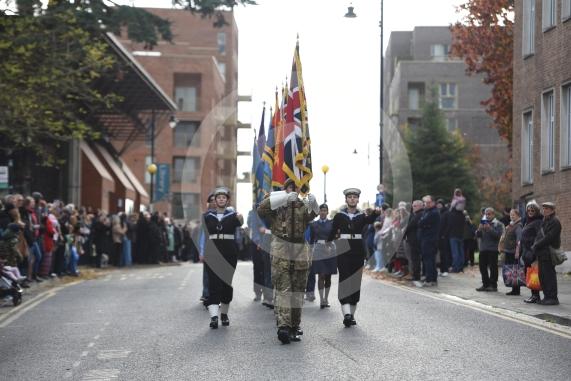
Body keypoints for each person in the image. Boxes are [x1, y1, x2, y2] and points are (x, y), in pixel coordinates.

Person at [257, 179, 318, 344]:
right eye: (289, 187)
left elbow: (311, 216)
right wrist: (282, 199)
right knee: (283, 289)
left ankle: (294, 326)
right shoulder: (276, 204)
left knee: (298, 291)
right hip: (281, 248)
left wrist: (314, 206)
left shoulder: (301, 205)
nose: (292, 190)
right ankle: (283, 326)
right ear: (284, 189)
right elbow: (261, 210)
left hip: (299, 250)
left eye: (295, 188)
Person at [328, 188, 380, 327]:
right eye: (349, 197)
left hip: (357, 251)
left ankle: (351, 314)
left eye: (354, 197)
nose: (352, 199)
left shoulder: (361, 216)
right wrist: (327, 243)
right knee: (345, 279)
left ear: (358, 200)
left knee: (355, 282)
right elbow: (333, 231)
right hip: (343, 250)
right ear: (346, 200)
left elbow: (370, 220)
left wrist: (376, 213)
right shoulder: (340, 216)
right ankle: (347, 314)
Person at [203, 187, 243, 328]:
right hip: (212, 253)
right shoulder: (207, 216)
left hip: (229, 253)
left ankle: (224, 314)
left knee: (226, 284)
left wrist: (240, 217)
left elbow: (241, 222)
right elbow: (204, 235)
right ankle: (214, 317)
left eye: (223, 197)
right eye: (218, 197)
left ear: (227, 200)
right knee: (213, 284)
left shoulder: (233, 215)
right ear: (215, 200)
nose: (221, 199)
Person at [531, 202, 562, 305]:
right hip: (542, 252)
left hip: (548, 252)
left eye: (547, 209)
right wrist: (535, 244)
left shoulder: (555, 221)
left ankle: (553, 298)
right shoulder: (544, 220)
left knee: (549, 276)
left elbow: (549, 237)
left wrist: (536, 245)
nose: (544, 210)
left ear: (552, 210)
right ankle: (546, 296)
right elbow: (539, 235)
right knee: (543, 276)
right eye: (543, 209)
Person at [308, 204, 337, 308]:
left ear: (327, 212)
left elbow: (335, 236)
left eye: (325, 210)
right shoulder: (313, 225)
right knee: (321, 275)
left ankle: (326, 298)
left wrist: (330, 245)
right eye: (321, 210)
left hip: (330, 250)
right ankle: (321, 300)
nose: (323, 212)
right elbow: (311, 240)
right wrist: (310, 252)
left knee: (328, 277)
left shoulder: (332, 223)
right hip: (319, 251)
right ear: (319, 212)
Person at [475, 207, 504, 292]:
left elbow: (498, 236)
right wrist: (479, 230)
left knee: (493, 267)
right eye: (486, 214)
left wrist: (489, 228)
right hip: (483, 249)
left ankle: (493, 285)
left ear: (493, 214)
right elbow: (478, 236)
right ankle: (485, 284)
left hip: (493, 249)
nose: (487, 216)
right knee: (482, 267)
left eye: (489, 214)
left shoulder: (498, 224)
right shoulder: (483, 223)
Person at [520, 201, 543, 303]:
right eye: (528, 210)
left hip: (532, 253)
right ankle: (534, 295)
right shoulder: (527, 221)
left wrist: (533, 252)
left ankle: (536, 296)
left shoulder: (538, 221)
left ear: (536, 211)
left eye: (532, 210)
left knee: (534, 275)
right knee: (529, 274)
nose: (530, 212)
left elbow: (539, 237)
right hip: (526, 253)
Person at [418, 195, 440, 287]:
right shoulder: (427, 211)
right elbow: (421, 222)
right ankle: (432, 279)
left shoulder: (433, 212)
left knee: (429, 260)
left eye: (428, 202)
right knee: (429, 260)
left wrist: (422, 222)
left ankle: (430, 279)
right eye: (425, 202)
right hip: (427, 238)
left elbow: (421, 222)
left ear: (433, 203)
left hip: (430, 239)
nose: (426, 204)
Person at [502, 209, 523, 295]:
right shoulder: (511, 225)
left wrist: (517, 252)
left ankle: (516, 290)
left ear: (518, 215)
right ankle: (513, 289)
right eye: (511, 215)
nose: (511, 216)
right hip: (508, 251)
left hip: (514, 252)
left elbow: (519, 240)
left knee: (515, 271)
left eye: (513, 215)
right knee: (511, 271)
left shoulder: (518, 226)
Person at [404, 200, 423, 286]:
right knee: (412, 258)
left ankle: (416, 276)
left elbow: (411, 225)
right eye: (413, 206)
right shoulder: (413, 214)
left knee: (416, 259)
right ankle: (414, 274)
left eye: (415, 206)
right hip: (411, 239)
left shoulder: (419, 214)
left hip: (415, 239)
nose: (413, 207)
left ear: (420, 206)